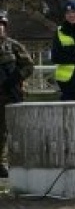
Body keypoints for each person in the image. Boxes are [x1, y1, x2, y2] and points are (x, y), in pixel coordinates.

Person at [0, 10, 35, 178]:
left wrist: (14, 79)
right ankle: (1, 164)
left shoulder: (13, 46)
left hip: (12, 94)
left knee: (16, 129)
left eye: (1, 24)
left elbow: (29, 66)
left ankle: (21, 161)